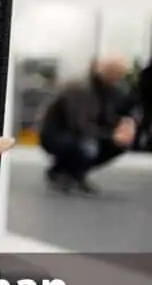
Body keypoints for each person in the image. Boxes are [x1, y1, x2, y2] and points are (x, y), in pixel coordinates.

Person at [39, 56, 138, 195]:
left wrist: (125, 127)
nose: (120, 78)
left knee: (118, 145)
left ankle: (67, 172)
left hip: (80, 132)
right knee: (88, 146)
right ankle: (66, 172)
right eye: (118, 74)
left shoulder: (109, 90)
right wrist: (110, 136)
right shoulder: (80, 88)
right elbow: (79, 125)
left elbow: (113, 115)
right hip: (57, 134)